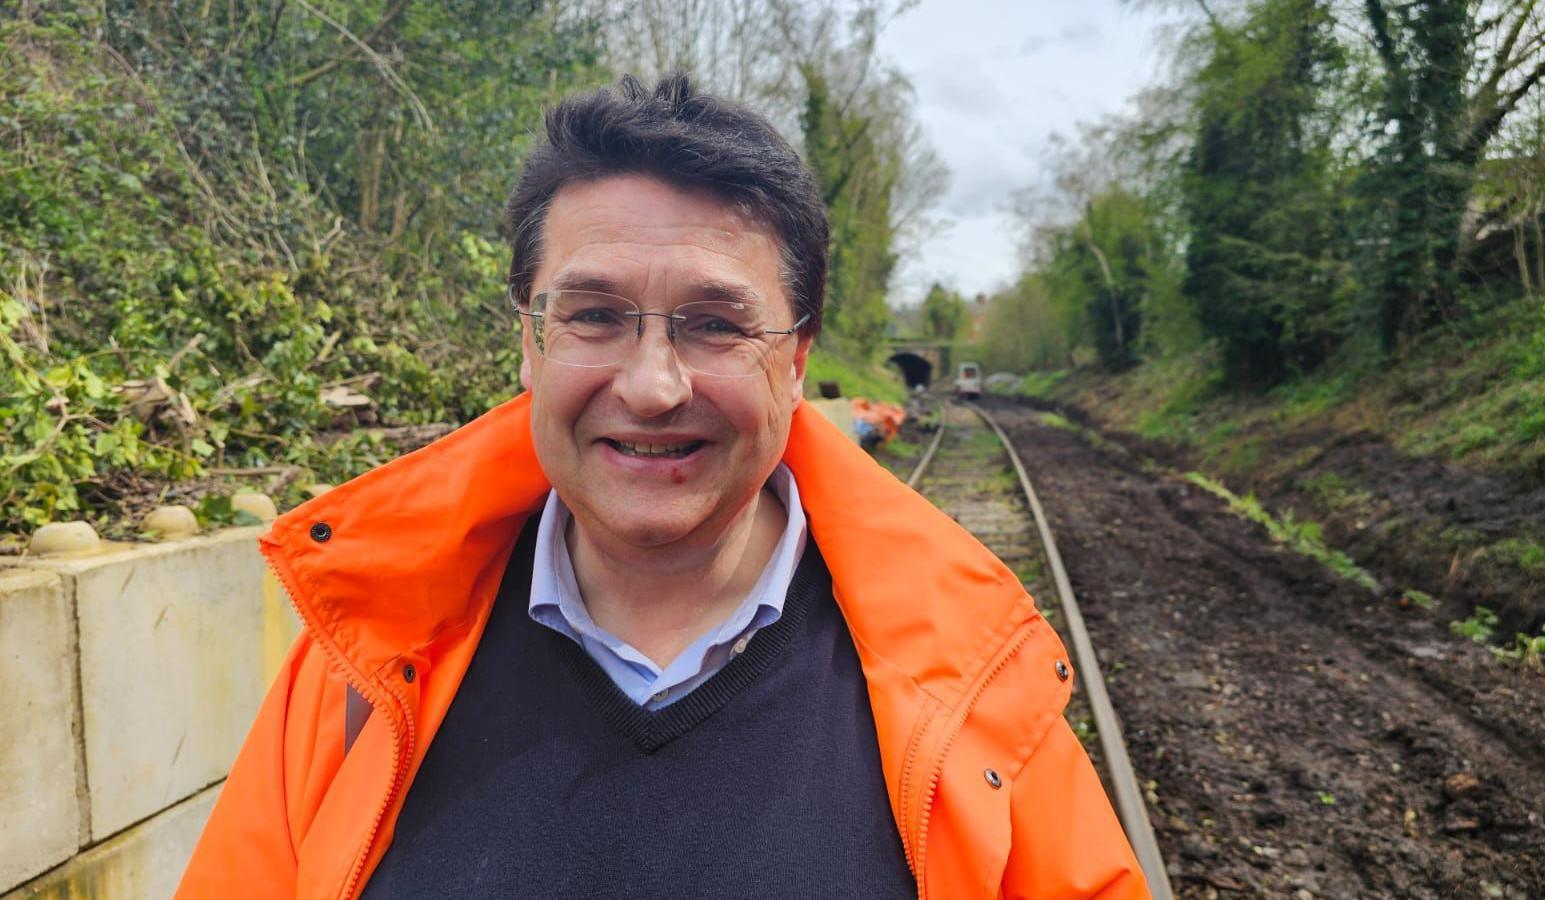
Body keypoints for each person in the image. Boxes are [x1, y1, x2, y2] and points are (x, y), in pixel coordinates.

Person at [178, 73, 1148, 899]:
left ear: (798, 358)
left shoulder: (966, 688)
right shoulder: (358, 673)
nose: (650, 387)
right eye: (596, 314)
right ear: (529, 340)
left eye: (716, 325)